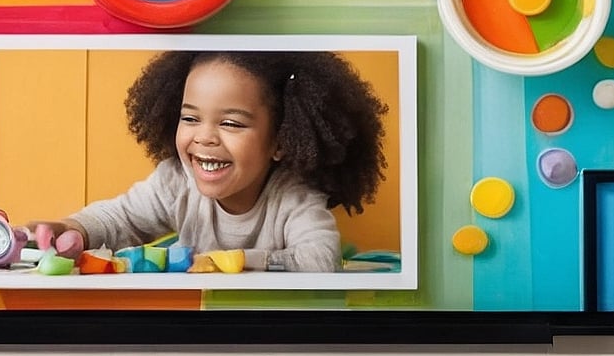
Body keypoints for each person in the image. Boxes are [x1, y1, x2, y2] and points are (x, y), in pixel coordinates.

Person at [35, 49, 387, 273]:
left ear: (281, 140)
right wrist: (73, 229)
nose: (204, 137)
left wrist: (235, 261)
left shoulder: (293, 198)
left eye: (231, 123)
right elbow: (118, 220)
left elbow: (321, 260)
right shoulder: (177, 181)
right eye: (190, 118)